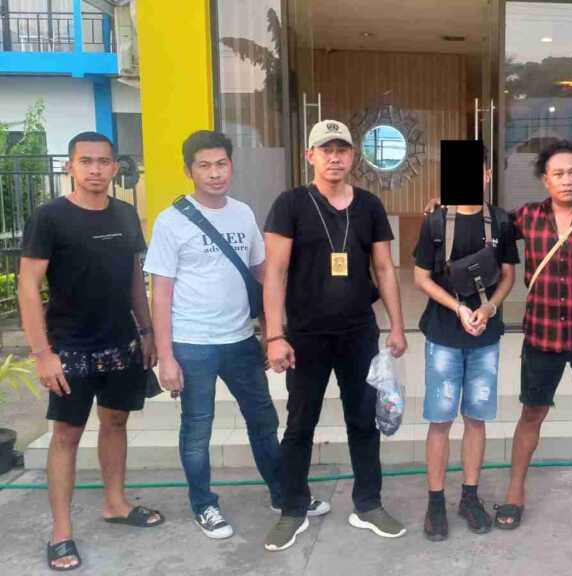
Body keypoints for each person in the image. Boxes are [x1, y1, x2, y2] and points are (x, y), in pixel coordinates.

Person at [429, 140, 572, 532]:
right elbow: (484, 222)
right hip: (542, 336)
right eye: (558, 174)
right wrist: (445, 207)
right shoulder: (527, 217)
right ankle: (515, 493)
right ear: (545, 180)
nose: (567, 180)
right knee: (532, 413)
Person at [144, 130, 328, 540]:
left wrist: (272, 329)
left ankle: (283, 494)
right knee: (198, 429)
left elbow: (263, 275)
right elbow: (162, 293)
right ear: (189, 171)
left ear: (231, 165)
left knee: (263, 421)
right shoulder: (171, 221)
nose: (214, 173)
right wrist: (166, 356)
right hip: (193, 344)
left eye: (221, 164)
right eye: (204, 166)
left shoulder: (243, 214)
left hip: (240, 340)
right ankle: (204, 505)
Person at [18, 131, 162, 571]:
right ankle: (61, 532)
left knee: (116, 422)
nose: (96, 170)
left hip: (120, 343)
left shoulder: (125, 213)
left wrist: (147, 330)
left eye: (104, 161)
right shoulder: (50, 218)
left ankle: (115, 503)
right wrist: (42, 353)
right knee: (66, 434)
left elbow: (134, 276)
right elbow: (28, 287)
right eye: (86, 161)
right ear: (71, 166)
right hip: (70, 349)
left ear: (115, 167)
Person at [262, 120, 408, 551]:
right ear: (310, 156)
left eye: (342, 149)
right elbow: (275, 272)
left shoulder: (370, 206)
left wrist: (397, 325)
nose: (334, 157)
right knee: (299, 423)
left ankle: (369, 504)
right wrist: (275, 335)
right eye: (326, 150)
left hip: (358, 332)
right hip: (305, 335)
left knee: (363, 420)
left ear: (353, 156)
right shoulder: (290, 204)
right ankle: (293, 508)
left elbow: (384, 268)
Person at [412, 145, 518, 541]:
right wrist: (457, 307)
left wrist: (489, 307)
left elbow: (508, 274)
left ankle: (469, 497)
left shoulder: (501, 221)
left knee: (476, 418)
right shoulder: (436, 222)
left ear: (488, 174)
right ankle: (435, 501)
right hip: (443, 333)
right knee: (440, 420)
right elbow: (421, 277)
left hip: (485, 336)